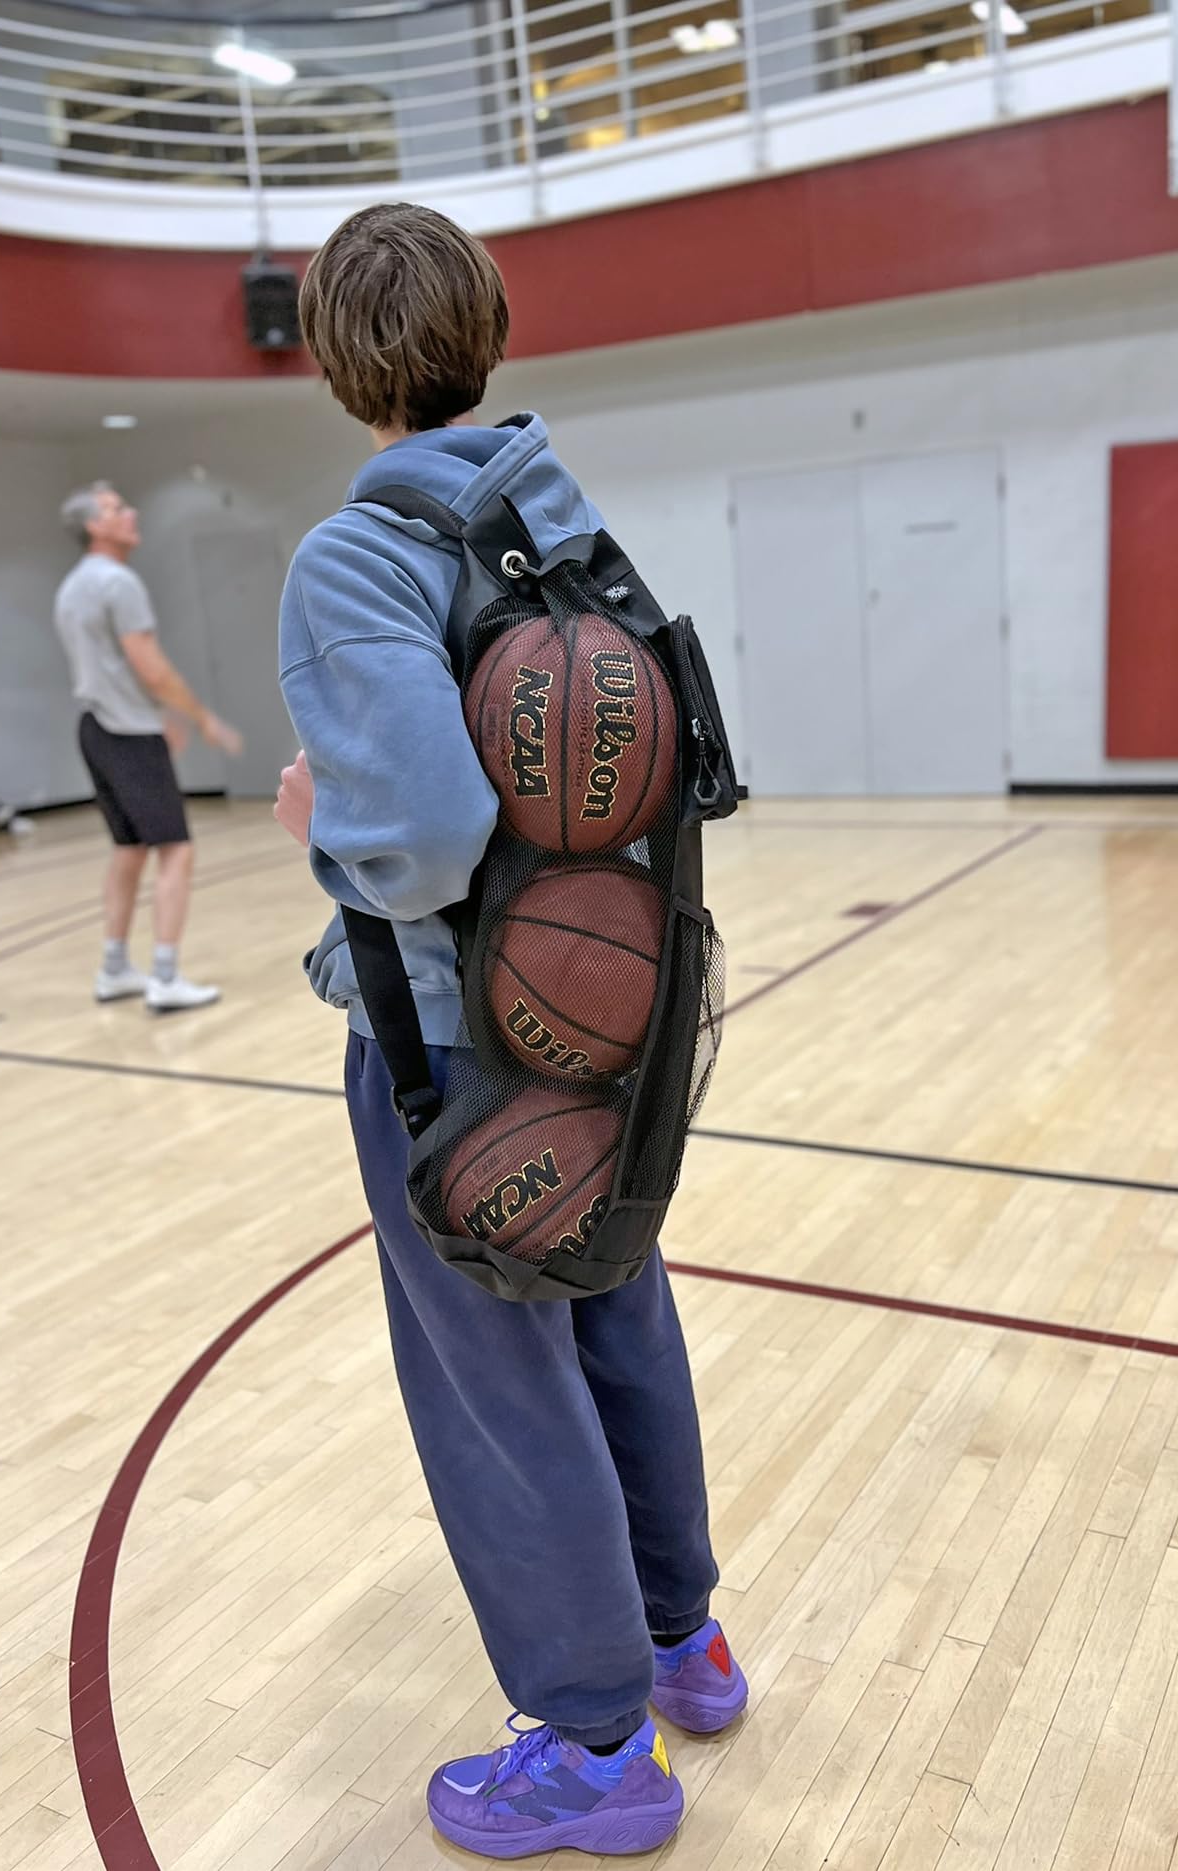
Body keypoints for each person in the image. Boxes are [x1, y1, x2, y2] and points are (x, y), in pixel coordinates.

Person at [272, 203, 747, 1860]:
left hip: (454, 1042)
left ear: (338, 363)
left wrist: (312, 817)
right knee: (615, 1305)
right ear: (487, 326)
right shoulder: (563, 517)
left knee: (494, 1373)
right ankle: (683, 1643)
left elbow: (412, 833)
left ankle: (593, 1743)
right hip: (612, 1017)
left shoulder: (355, 556)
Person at [55, 483, 241, 1012]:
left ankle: (114, 967)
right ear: (95, 525)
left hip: (96, 727)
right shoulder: (118, 582)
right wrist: (201, 717)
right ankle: (164, 975)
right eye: (116, 508)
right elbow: (150, 667)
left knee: (129, 849)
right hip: (126, 735)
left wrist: (155, 716)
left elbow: (108, 670)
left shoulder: (74, 586)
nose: (131, 512)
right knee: (175, 850)